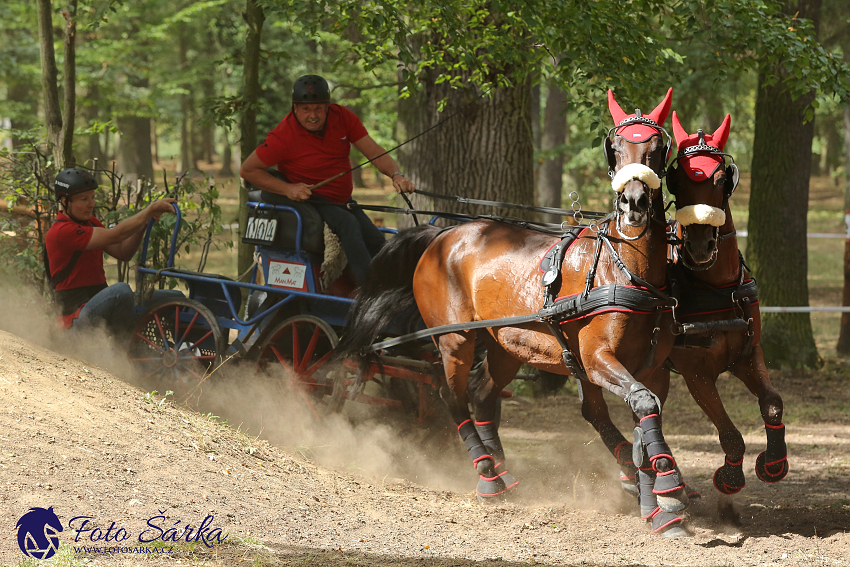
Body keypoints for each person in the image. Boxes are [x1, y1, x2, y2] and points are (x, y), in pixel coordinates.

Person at [239, 74, 415, 285]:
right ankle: (371, 292)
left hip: (343, 200)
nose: (312, 115)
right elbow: (248, 171)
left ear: (328, 107)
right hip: (313, 199)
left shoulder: (343, 118)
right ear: (295, 108)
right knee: (348, 225)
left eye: (318, 108)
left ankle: (393, 288)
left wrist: (396, 175)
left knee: (375, 238)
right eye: (306, 109)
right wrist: (288, 189)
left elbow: (374, 152)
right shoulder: (283, 136)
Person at [45, 168, 179, 333]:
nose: (91, 204)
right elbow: (116, 235)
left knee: (175, 297)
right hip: (73, 320)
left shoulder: (90, 222)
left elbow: (123, 252)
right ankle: (121, 350)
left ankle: (183, 353)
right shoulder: (62, 231)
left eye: (93, 197)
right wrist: (148, 211)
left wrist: (143, 224)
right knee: (121, 291)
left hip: (96, 305)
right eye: (83, 199)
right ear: (65, 201)